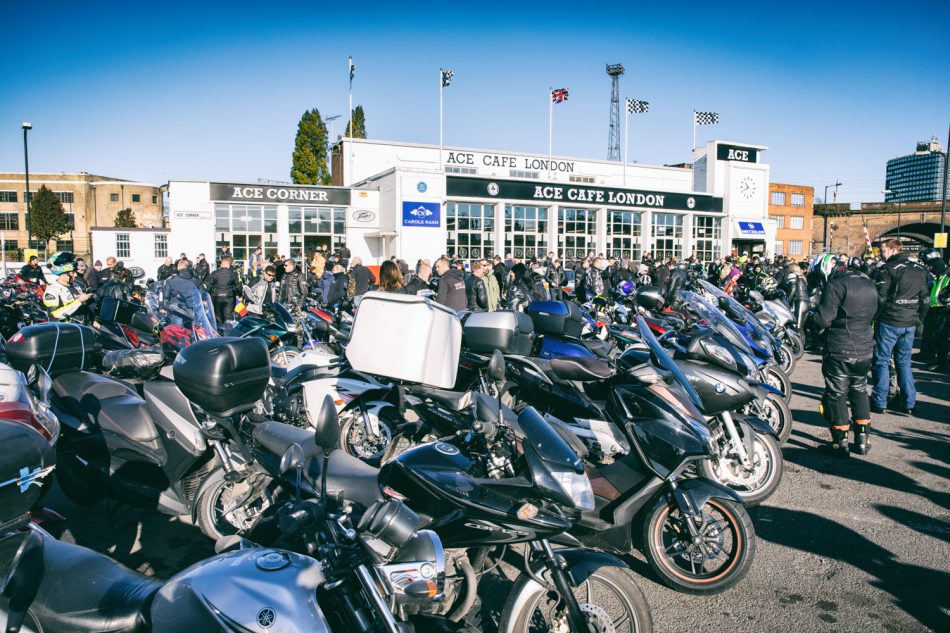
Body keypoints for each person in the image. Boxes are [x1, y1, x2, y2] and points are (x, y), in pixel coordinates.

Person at [808, 255, 878, 457]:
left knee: (837, 393)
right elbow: (876, 311)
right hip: (864, 347)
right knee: (860, 390)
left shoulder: (836, 285)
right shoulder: (867, 282)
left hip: (840, 347)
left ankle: (841, 442)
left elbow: (823, 319)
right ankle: (863, 440)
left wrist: (812, 322)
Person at [871, 239, 929, 415]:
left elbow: (880, 298)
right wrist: (919, 320)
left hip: (890, 321)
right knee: (904, 363)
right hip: (909, 323)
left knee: (881, 361)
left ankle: (879, 402)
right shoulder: (919, 270)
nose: (880, 253)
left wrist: (875, 317)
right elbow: (925, 300)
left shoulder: (887, 270)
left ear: (894, 250)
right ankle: (908, 403)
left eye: (883, 250)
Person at [42, 252, 94, 322]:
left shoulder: (76, 285)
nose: (75, 275)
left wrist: (92, 320)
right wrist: (78, 301)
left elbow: (83, 307)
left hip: (81, 326)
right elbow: (55, 314)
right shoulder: (52, 291)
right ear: (63, 274)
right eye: (72, 273)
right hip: (64, 329)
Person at [207, 255, 240, 325]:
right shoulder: (233, 273)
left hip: (216, 297)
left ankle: (219, 332)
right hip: (229, 297)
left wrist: (206, 296)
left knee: (218, 316)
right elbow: (238, 286)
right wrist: (239, 294)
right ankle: (228, 333)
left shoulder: (214, 273)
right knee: (228, 317)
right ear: (229, 265)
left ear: (221, 265)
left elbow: (209, 286)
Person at [782, 263, 809, 329]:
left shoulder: (792, 275)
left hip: (799, 301)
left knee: (796, 326)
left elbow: (793, 288)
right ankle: (801, 339)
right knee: (801, 327)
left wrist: (787, 301)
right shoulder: (802, 276)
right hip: (806, 302)